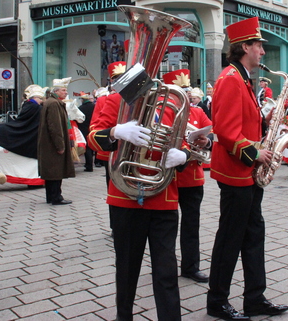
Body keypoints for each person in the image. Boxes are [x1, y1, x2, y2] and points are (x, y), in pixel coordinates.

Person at [87, 65, 190, 321]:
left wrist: (183, 155)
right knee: (127, 269)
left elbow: (181, 139)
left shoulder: (171, 102)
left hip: (163, 197)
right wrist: (115, 132)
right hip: (126, 198)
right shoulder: (114, 101)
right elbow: (92, 136)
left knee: (166, 271)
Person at [207, 16, 288, 320]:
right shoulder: (230, 78)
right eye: (258, 46)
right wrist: (257, 153)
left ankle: (255, 297)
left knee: (254, 235)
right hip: (236, 173)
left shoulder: (241, 77)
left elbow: (241, 122)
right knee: (230, 238)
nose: (263, 52)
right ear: (245, 46)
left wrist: (268, 121)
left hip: (247, 175)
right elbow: (226, 131)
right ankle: (217, 301)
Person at [163, 70, 212, 284]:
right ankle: (164, 266)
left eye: (186, 91)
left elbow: (209, 132)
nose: (184, 95)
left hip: (193, 176)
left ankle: (191, 266)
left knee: (191, 224)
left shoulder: (197, 111)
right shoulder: (163, 112)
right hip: (169, 177)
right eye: (179, 91)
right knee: (166, 227)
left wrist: (205, 141)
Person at [0, 84, 46, 187]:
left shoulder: (28, 105)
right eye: (40, 98)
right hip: (31, 136)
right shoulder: (36, 107)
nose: (41, 100)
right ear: (35, 98)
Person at [38, 77, 75, 205]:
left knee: (52, 172)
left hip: (49, 143)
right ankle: (56, 197)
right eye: (63, 90)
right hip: (53, 144)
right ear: (57, 91)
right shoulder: (54, 104)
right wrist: (60, 145)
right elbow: (55, 127)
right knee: (56, 171)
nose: (66, 92)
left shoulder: (51, 102)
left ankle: (51, 196)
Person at [77, 92, 96, 172]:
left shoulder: (80, 108)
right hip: (93, 128)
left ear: (82, 100)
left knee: (87, 148)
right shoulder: (94, 106)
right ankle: (91, 163)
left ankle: (89, 166)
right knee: (91, 146)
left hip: (83, 129)